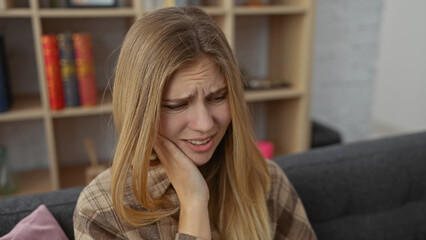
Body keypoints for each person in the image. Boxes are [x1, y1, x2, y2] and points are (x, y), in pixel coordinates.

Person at [73, 7, 317, 240]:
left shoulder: (266, 180)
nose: (205, 124)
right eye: (177, 105)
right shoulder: (101, 212)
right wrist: (193, 204)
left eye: (218, 97)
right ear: (139, 111)